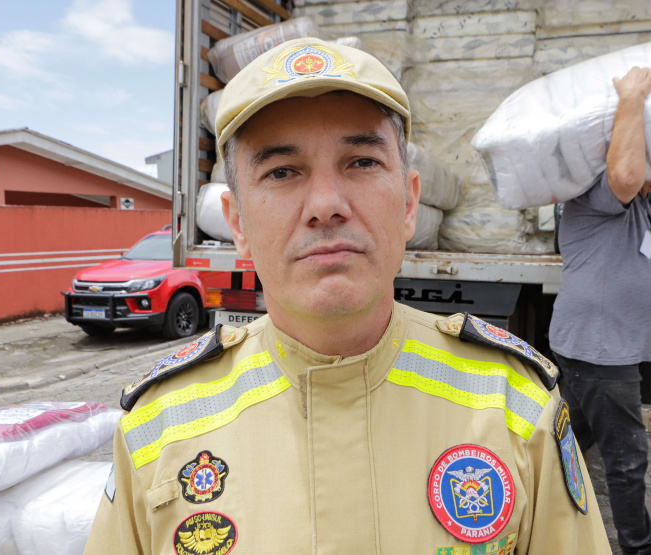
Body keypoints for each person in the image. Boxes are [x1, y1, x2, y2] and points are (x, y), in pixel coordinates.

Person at [85, 38, 610, 554]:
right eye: (282, 171)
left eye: (360, 162)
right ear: (237, 223)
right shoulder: (156, 428)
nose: (326, 204)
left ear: (409, 204)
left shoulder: (515, 406)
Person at [548, 65, 651, 555]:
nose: (647, 170)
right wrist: (631, 97)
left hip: (604, 346)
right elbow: (627, 171)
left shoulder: (635, 205)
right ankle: (638, 549)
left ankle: (527, 509)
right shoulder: (596, 195)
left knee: (561, 444)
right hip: (601, 347)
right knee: (627, 463)